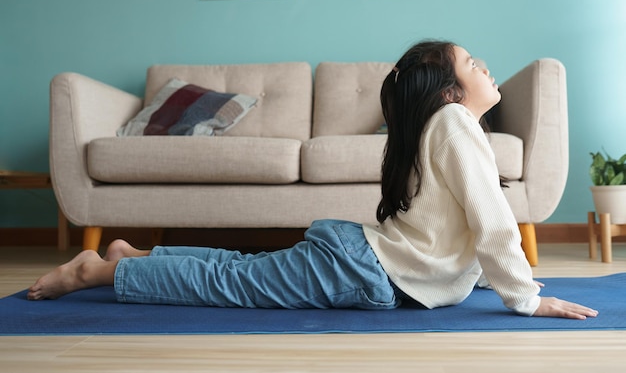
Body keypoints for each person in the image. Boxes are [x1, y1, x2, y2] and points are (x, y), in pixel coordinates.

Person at [28, 40, 597, 319]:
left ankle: (133, 255)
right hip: (360, 268)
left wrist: (475, 280)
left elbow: (456, 229)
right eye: (473, 64)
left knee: (239, 269)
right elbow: (492, 220)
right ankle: (97, 271)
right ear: (447, 90)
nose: (486, 68)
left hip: (360, 260)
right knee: (232, 286)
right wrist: (525, 299)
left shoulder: (447, 126)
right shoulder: (454, 124)